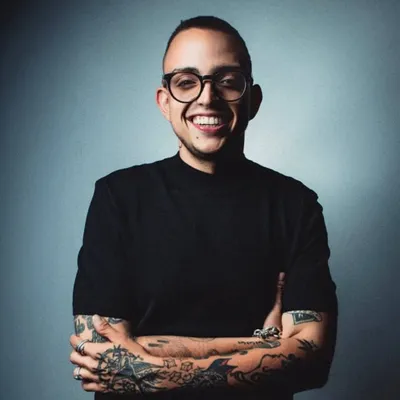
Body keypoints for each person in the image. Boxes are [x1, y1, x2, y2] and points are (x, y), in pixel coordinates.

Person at [70, 16, 338, 400]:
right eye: (186, 82)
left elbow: (313, 360)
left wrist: (157, 369)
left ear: (253, 99)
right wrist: (263, 344)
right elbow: (98, 354)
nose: (207, 98)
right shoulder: (118, 196)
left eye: (227, 81)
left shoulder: (296, 205)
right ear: (165, 101)